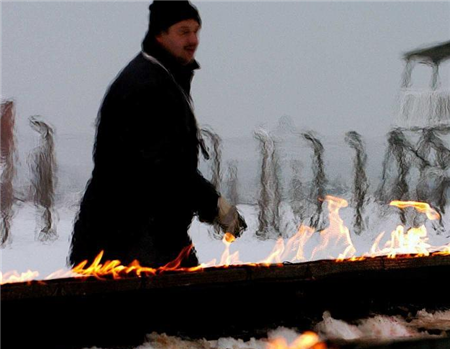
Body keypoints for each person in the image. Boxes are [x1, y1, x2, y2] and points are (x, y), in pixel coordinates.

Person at [68, 0, 246, 268]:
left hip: (150, 235)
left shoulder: (163, 78)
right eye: (183, 31)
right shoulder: (147, 86)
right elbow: (162, 168)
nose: (193, 40)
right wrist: (214, 205)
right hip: (127, 240)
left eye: (196, 31)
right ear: (160, 34)